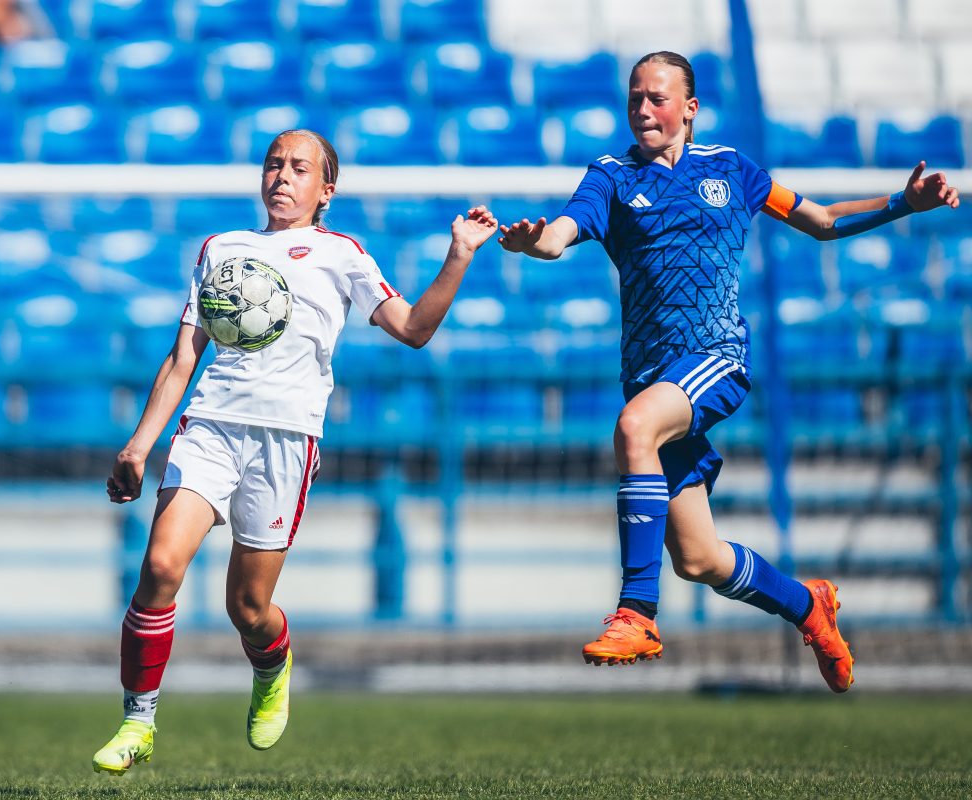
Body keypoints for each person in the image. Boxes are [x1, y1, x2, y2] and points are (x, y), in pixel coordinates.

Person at [499, 51, 959, 692]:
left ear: (690, 108)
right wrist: (534, 242)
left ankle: (637, 613)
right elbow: (560, 234)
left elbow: (822, 221)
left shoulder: (732, 169)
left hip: (716, 360)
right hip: (653, 379)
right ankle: (808, 605)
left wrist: (903, 203)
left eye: (657, 98)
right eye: (634, 98)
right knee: (699, 559)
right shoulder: (610, 176)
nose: (643, 109)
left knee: (633, 427)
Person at [92, 129, 498, 774]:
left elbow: (415, 329)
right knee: (161, 567)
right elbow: (182, 358)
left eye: (299, 168)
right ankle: (137, 721)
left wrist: (459, 254)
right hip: (211, 426)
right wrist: (139, 445)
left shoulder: (343, 255)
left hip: (286, 441)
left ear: (325, 190)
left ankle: (272, 663)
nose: (282, 176)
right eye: (274, 164)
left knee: (247, 608)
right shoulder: (222, 248)